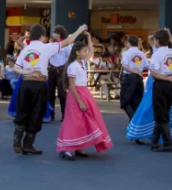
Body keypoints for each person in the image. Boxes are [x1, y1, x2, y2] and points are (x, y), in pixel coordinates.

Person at [12, 24, 87, 155]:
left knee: (23, 111)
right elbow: (68, 41)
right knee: (36, 113)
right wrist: (80, 30)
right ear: (42, 36)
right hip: (39, 84)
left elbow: (15, 68)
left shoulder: (26, 49)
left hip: (25, 84)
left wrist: (27, 71)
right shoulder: (46, 47)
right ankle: (28, 144)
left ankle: (17, 137)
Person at [57, 35, 113, 161]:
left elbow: (92, 50)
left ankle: (78, 147)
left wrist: (89, 38)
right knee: (74, 121)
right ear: (77, 52)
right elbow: (71, 86)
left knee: (84, 120)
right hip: (77, 94)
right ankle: (67, 149)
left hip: (84, 92)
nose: (86, 53)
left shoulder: (81, 62)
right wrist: (80, 101)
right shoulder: (72, 66)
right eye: (84, 51)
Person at [120, 36, 149, 145]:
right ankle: (136, 131)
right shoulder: (141, 53)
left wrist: (134, 71)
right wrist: (138, 71)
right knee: (136, 102)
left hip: (129, 78)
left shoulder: (127, 53)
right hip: (139, 79)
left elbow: (125, 66)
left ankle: (134, 121)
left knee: (125, 101)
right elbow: (146, 65)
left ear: (128, 43)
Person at [48, 25, 71, 122]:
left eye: (55, 32)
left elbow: (69, 57)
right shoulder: (52, 44)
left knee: (62, 93)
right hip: (51, 68)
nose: (53, 34)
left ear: (59, 34)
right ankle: (51, 114)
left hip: (61, 69)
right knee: (50, 93)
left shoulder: (66, 45)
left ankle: (64, 114)